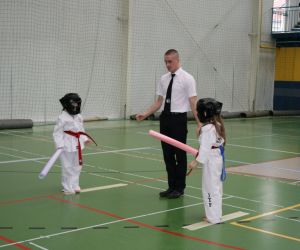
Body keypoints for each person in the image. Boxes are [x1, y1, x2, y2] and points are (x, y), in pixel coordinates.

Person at [136, 49, 200, 199]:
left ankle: (180, 187)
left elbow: (193, 102)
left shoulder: (188, 78)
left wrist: (199, 123)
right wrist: (145, 114)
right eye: (165, 61)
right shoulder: (163, 79)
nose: (167, 64)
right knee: (168, 155)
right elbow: (159, 102)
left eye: (170, 61)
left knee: (179, 154)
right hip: (165, 119)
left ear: (177, 60)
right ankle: (171, 186)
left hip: (179, 120)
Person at [188, 98, 226, 224]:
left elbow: (204, 149)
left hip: (211, 160)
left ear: (204, 114)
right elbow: (208, 144)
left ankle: (212, 217)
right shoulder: (217, 125)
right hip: (217, 158)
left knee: (209, 189)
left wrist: (195, 162)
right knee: (216, 188)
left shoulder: (207, 129)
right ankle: (216, 214)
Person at [53, 93, 94, 195]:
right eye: (73, 104)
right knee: (67, 166)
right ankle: (67, 187)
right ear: (67, 104)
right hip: (66, 145)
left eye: (77, 104)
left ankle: (75, 184)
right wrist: (59, 145)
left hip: (77, 143)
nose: (75, 106)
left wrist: (85, 138)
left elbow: (81, 129)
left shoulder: (79, 116)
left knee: (77, 165)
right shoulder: (62, 117)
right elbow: (57, 133)